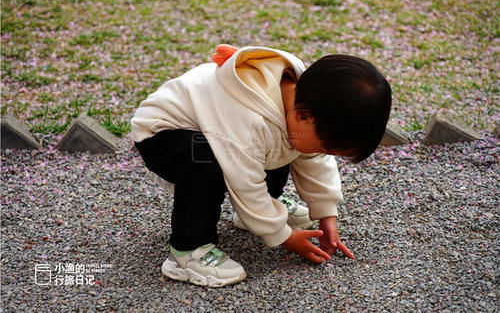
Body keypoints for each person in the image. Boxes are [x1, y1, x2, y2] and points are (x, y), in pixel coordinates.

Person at [131, 44, 392, 287]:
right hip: (163, 131)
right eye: (326, 148)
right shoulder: (252, 119)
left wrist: (326, 214)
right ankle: (187, 250)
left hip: (222, 130)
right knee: (206, 162)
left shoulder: (305, 103)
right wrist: (282, 234)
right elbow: (243, 181)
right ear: (304, 116)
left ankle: (262, 209)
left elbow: (314, 160)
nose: (324, 154)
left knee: (290, 144)